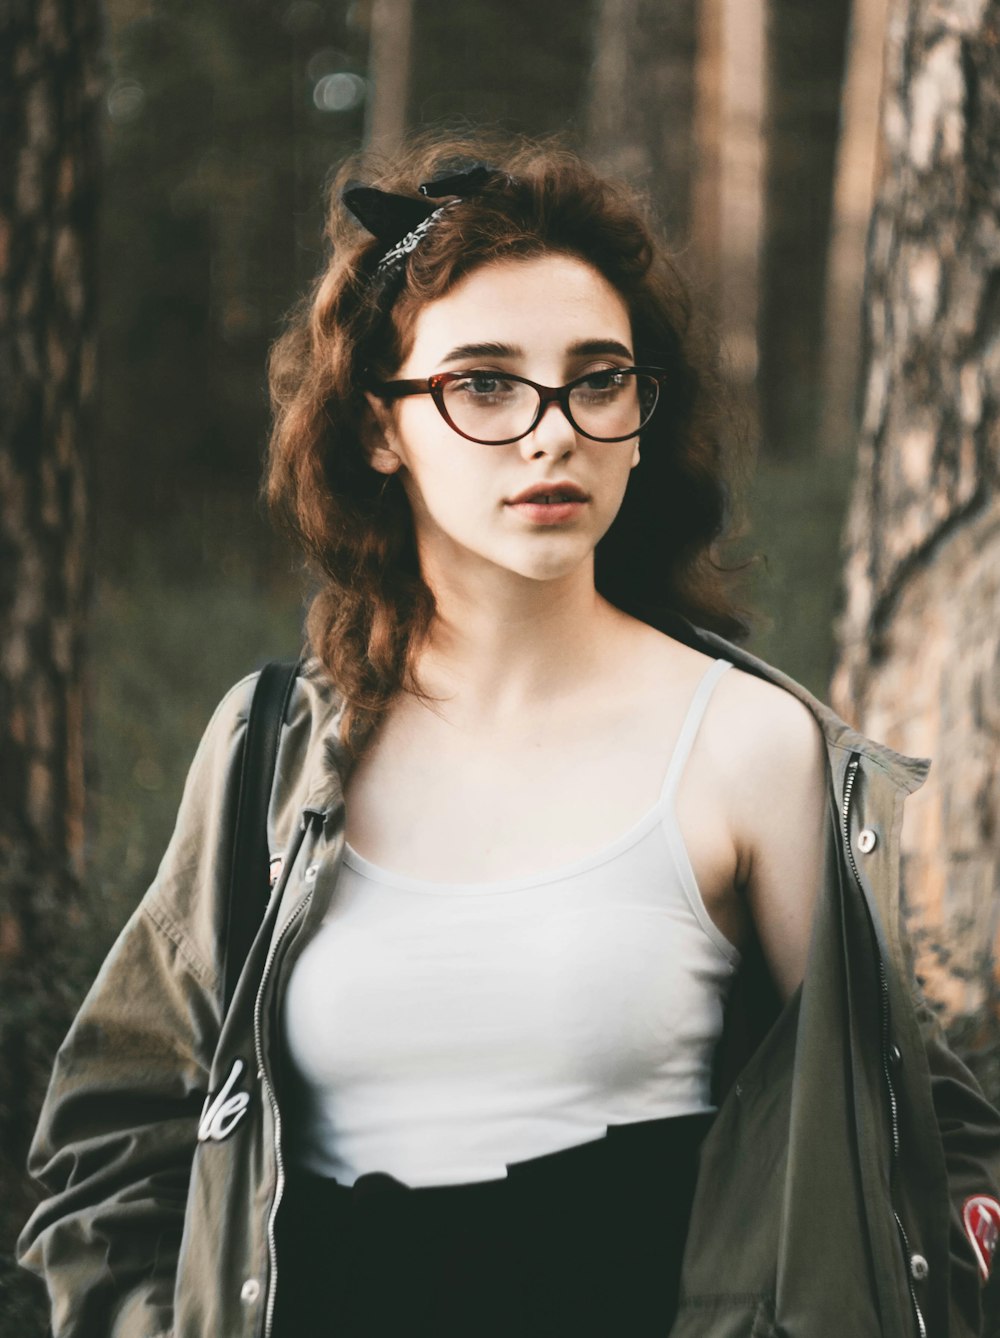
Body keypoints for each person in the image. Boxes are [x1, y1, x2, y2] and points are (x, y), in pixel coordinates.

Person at [17, 136, 1000, 1338]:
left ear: (643, 415)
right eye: (482, 382)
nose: (552, 433)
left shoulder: (749, 746)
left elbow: (908, 1130)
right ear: (381, 427)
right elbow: (116, 1139)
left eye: (598, 378)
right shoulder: (267, 748)